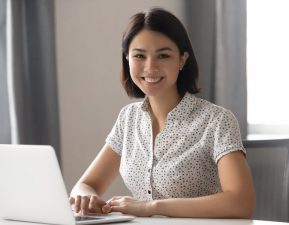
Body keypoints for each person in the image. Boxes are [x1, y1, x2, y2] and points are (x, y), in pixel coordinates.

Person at [69, 7, 256, 218]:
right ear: (127, 59)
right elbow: (84, 185)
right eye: (139, 55)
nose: (150, 67)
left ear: (182, 60)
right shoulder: (128, 119)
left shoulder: (217, 121)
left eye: (163, 56)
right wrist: (85, 197)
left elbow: (241, 202)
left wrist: (151, 207)